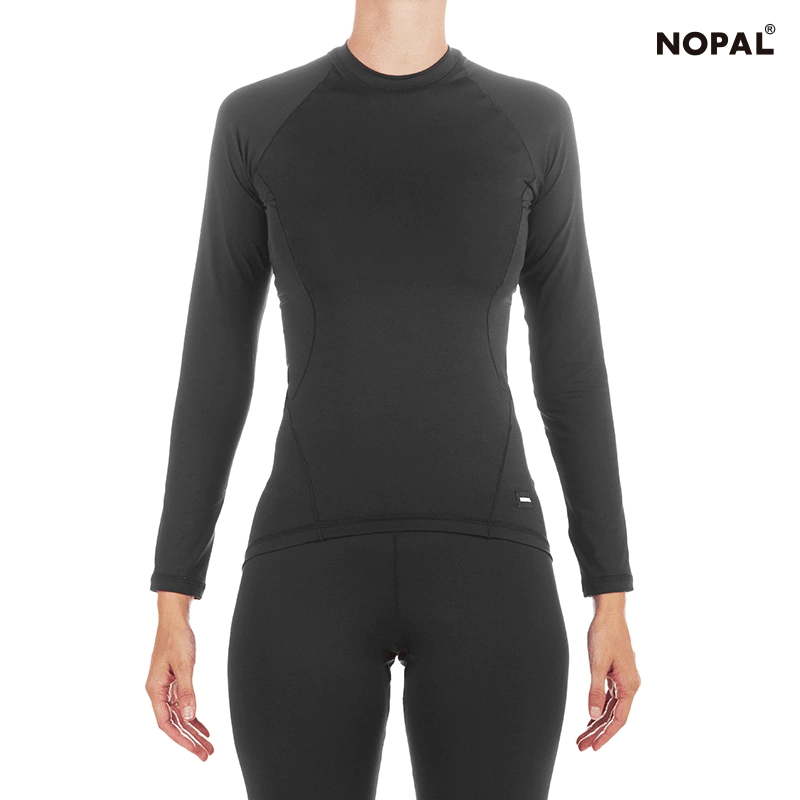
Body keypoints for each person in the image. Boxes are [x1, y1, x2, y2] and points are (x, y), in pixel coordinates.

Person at [144, 1, 641, 797]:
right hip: (306, 571)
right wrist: (174, 596)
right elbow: (215, 363)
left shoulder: (533, 122)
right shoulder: (258, 121)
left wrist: (609, 592)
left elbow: (571, 367)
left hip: (490, 570)